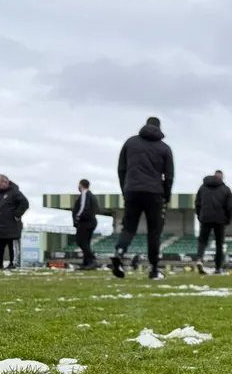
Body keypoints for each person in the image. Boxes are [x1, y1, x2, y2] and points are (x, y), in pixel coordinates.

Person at [112, 116, 174, 280]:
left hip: (132, 189)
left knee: (129, 227)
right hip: (155, 193)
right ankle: (154, 268)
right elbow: (169, 176)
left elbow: (121, 168)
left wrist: (125, 189)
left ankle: (119, 252)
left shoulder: (130, 142)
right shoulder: (164, 148)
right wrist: (166, 196)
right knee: (154, 232)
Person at [194, 170, 232, 275]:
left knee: (202, 241)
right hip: (220, 220)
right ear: (222, 178)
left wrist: (200, 216)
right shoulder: (226, 189)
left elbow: (197, 203)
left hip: (205, 218)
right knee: (219, 244)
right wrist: (227, 220)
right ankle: (218, 267)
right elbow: (229, 207)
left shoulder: (202, 188)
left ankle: (199, 258)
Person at [0, 175, 29, 270]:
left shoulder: (15, 192)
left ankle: (13, 263)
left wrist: (17, 215)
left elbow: (25, 203)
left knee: (12, 247)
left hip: (11, 227)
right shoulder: (0, 194)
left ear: (6, 182)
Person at [73, 179, 99, 270]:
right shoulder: (92, 196)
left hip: (86, 222)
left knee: (81, 241)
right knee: (85, 242)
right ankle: (87, 263)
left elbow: (83, 207)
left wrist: (77, 217)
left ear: (81, 185)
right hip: (91, 221)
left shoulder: (85, 194)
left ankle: (91, 261)